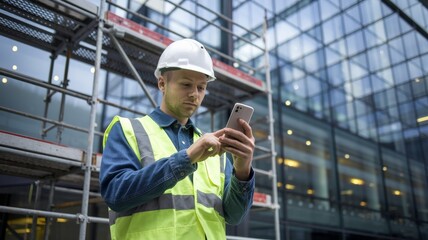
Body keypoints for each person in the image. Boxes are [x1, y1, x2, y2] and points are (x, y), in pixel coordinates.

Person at [100, 38, 255, 240]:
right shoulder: (128, 129)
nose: (194, 94)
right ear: (162, 83)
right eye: (186, 84)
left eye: (201, 87)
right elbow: (115, 196)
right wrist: (186, 158)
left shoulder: (213, 147)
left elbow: (234, 216)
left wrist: (242, 170)